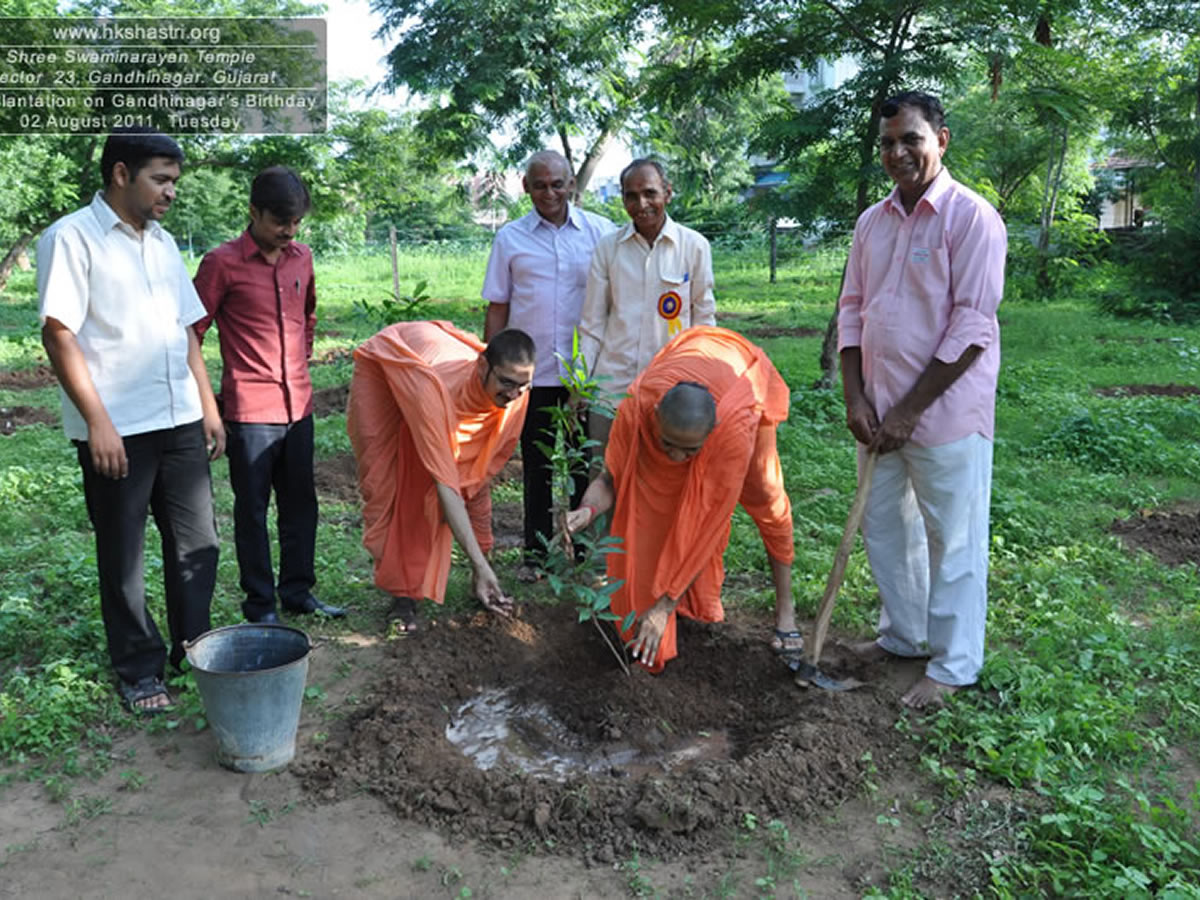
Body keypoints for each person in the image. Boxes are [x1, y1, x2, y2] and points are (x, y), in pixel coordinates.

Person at [37, 127, 224, 714]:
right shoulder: (71, 238)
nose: (170, 192)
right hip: (118, 427)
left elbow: (185, 332)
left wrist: (208, 406)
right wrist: (98, 423)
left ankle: (193, 647)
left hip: (179, 419)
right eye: (160, 180)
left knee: (199, 542)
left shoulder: (163, 243)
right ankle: (140, 669)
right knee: (124, 553)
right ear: (121, 173)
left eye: (174, 181)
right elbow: (59, 332)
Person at [837, 91, 1007, 709]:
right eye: (887, 142)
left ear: (942, 139)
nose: (898, 152)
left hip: (944, 416)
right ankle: (905, 637)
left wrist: (912, 410)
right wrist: (855, 396)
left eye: (911, 138)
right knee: (885, 529)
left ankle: (954, 665)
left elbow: (972, 326)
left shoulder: (972, 218)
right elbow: (852, 308)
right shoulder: (872, 223)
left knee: (954, 540)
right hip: (877, 416)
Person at [566, 326, 798, 673]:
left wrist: (662, 607)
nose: (675, 457)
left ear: (710, 434)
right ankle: (672, 606)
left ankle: (786, 607)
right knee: (657, 513)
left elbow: (709, 527)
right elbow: (609, 479)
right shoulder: (637, 408)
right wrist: (585, 512)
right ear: (655, 417)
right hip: (689, 365)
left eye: (689, 450)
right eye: (667, 444)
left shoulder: (730, 432)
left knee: (767, 497)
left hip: (739, 384)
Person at [193, 167, 344, 625]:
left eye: (296, 222)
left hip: (298, 405)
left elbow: (309, 315)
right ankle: (260, 605)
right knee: (253, 511)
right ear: (253, 212)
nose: (289, 231)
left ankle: (298, 593)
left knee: (301, 505)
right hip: (250, 411)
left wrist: (301, 358)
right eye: (280, 221)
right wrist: (206, 410)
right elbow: (190, 334)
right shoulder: (221, 264)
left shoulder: (302, 258)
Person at [347, 321, 535, 632]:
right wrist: (476, 561)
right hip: (390, 364)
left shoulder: (517, 393)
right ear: (483, 367)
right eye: (506, 382)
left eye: (522, 385)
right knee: (394, 484)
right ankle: (403, 595)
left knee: (475, 476)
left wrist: (480, 562)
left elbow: (476, 473)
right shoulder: (432, 393)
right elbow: (446, 485)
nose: (514, 394)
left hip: (439, 370)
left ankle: (484, 578)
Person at [482, 150, 616, 580]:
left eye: (557, 184)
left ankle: (584, 552)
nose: (549, 193)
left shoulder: (601, 234)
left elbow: (615, 303)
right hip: (530, 376)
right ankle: (536, 557)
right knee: (536, 466)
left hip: (584, 375)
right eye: (540, 185)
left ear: (572, 184)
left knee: (584, 463)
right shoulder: (510, 238)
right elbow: (498, 306)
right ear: (526, 188)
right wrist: (489, 366)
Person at [576, 159, 716, 449]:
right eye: (631, 195)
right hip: (610, 392)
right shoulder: (608, 247)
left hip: (671, 393)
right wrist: (579, 384)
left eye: (650, 193)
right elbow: (592, 324)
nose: (641, 203)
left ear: (668, 192)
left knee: (658, 485)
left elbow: (704, 323)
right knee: (604, 477)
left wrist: (700, 383)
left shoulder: (695, 246)